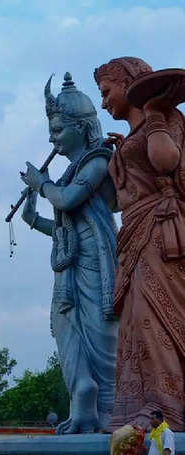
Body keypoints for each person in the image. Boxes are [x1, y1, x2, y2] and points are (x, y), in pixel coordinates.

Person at [21, 73, 118, 434]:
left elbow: (67, 200)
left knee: (100, 332)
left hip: (95, 263)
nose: (52, 138)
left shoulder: (97, 161)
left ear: (82, 127)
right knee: (66, 328)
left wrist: (41, 184)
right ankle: (81, 396)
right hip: (69, 266)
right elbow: (61, 226)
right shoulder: (67, 174)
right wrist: (32, 215)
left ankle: (107, 408)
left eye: (59, 130)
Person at [94, 57, 185, 430]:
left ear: (129, 83)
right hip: (132, 232)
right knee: (132, 322)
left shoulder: (164, 119)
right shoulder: (131, 137)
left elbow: (167, 162)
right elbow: (119, 198)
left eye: (106, 92)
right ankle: (136, 405)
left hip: (159, 230)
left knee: (155, 317)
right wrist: (122, 154)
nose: (103, 103)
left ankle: (166, 406)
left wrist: (156, 115)